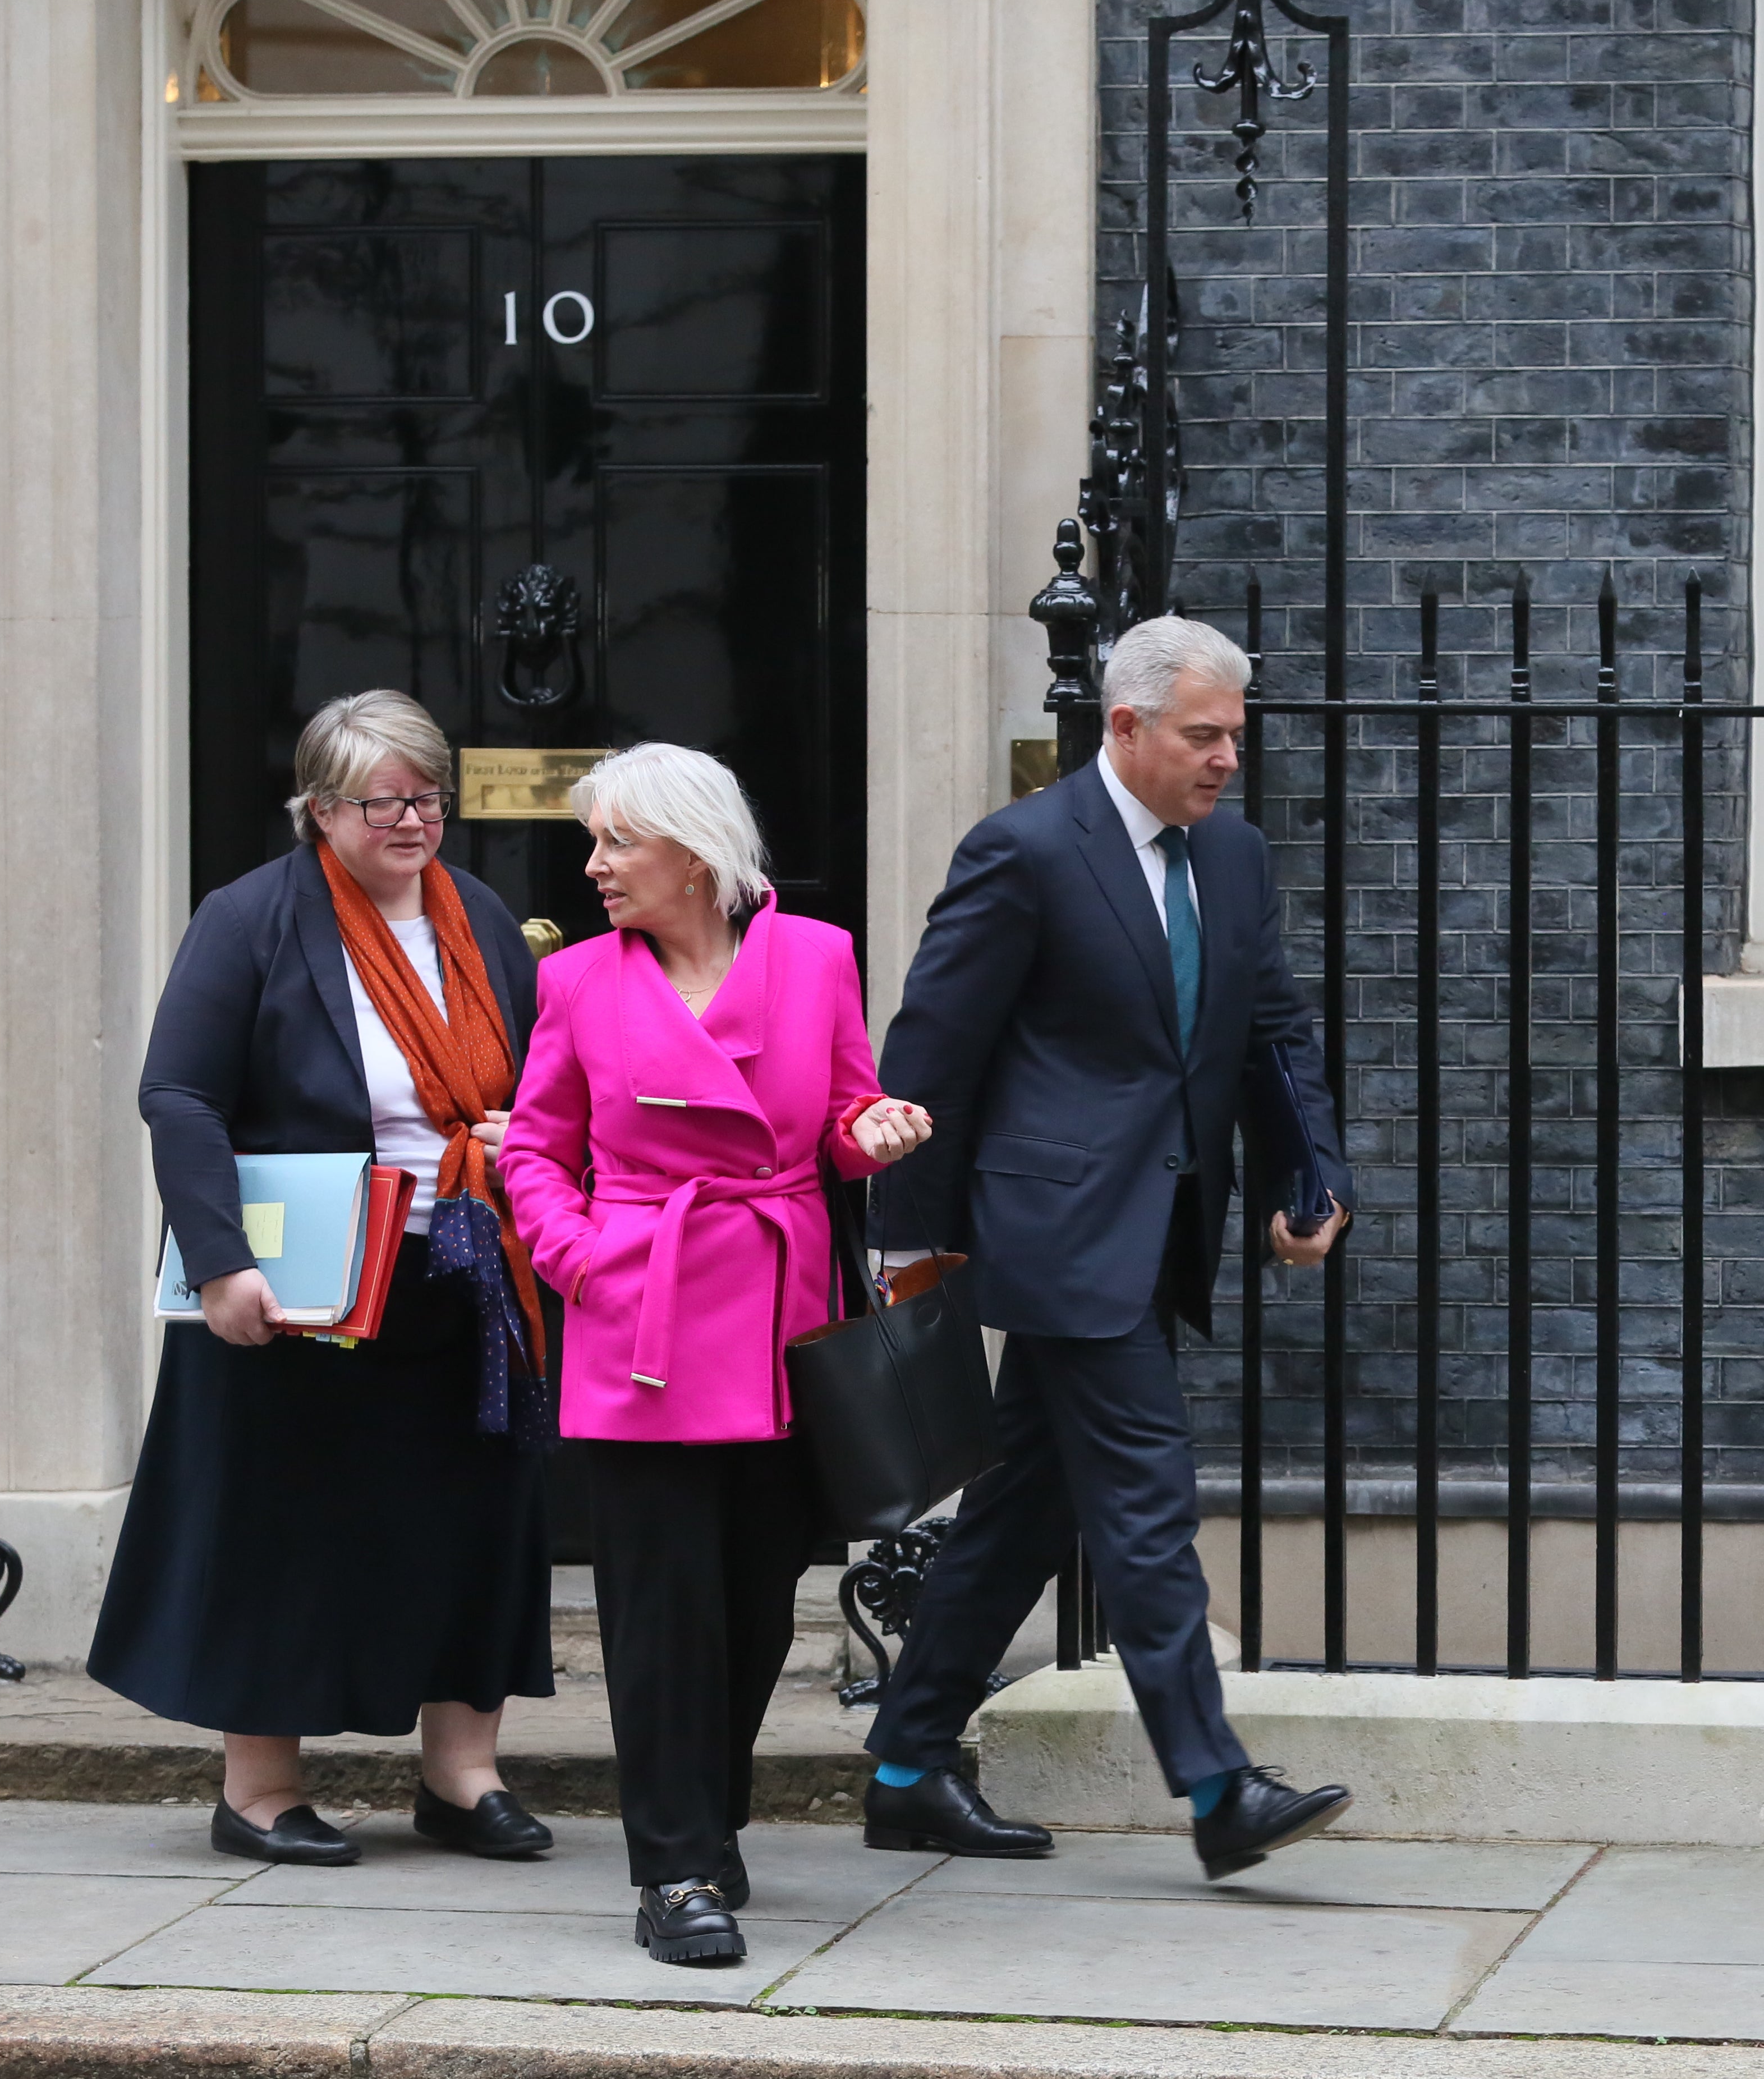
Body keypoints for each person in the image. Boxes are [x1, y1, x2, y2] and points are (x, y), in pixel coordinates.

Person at [858, 613, 1354, 1882]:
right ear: (1123, 728)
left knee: (1023, 1514)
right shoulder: (1025, 850)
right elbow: (934, 1051)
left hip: (1160, 1226)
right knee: (1145, 1503)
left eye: (1236, 736)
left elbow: (1271, 1031)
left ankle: (910, 1766)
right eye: (1203, 735)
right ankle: (1212, 1785)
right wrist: (908, 1243)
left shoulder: (1230, 858)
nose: (1227, 759)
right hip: (1059, 1234)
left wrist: (1313, 1176)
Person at [95, 689, 556, 1870]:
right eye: (384, 801)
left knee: (472, 1518)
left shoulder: (484, 916)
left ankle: (461, 1776)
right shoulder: (251, 918)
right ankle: (261, 1789)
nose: (414, 821)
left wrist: (524, 1138)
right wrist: (220, 1265)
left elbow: (541, 1075)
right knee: (284, 1524)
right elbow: (180, 1095)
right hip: (304, 1283)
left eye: (428, 796)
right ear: (320, 809)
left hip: (464, 1268)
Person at [502, 742, 934, 1968]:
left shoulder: (817, 958)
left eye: (615, 843)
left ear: (692, 852)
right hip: (642, 1318)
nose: (593, 867)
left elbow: (842, 1117)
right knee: (659, 1611)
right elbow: (534, 1151)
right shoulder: (580, 983)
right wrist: (582, 1259)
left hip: (779, 1323)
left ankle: (714, 1808)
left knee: (753, 1604)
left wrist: (878, 1128)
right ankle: (675, 1865)